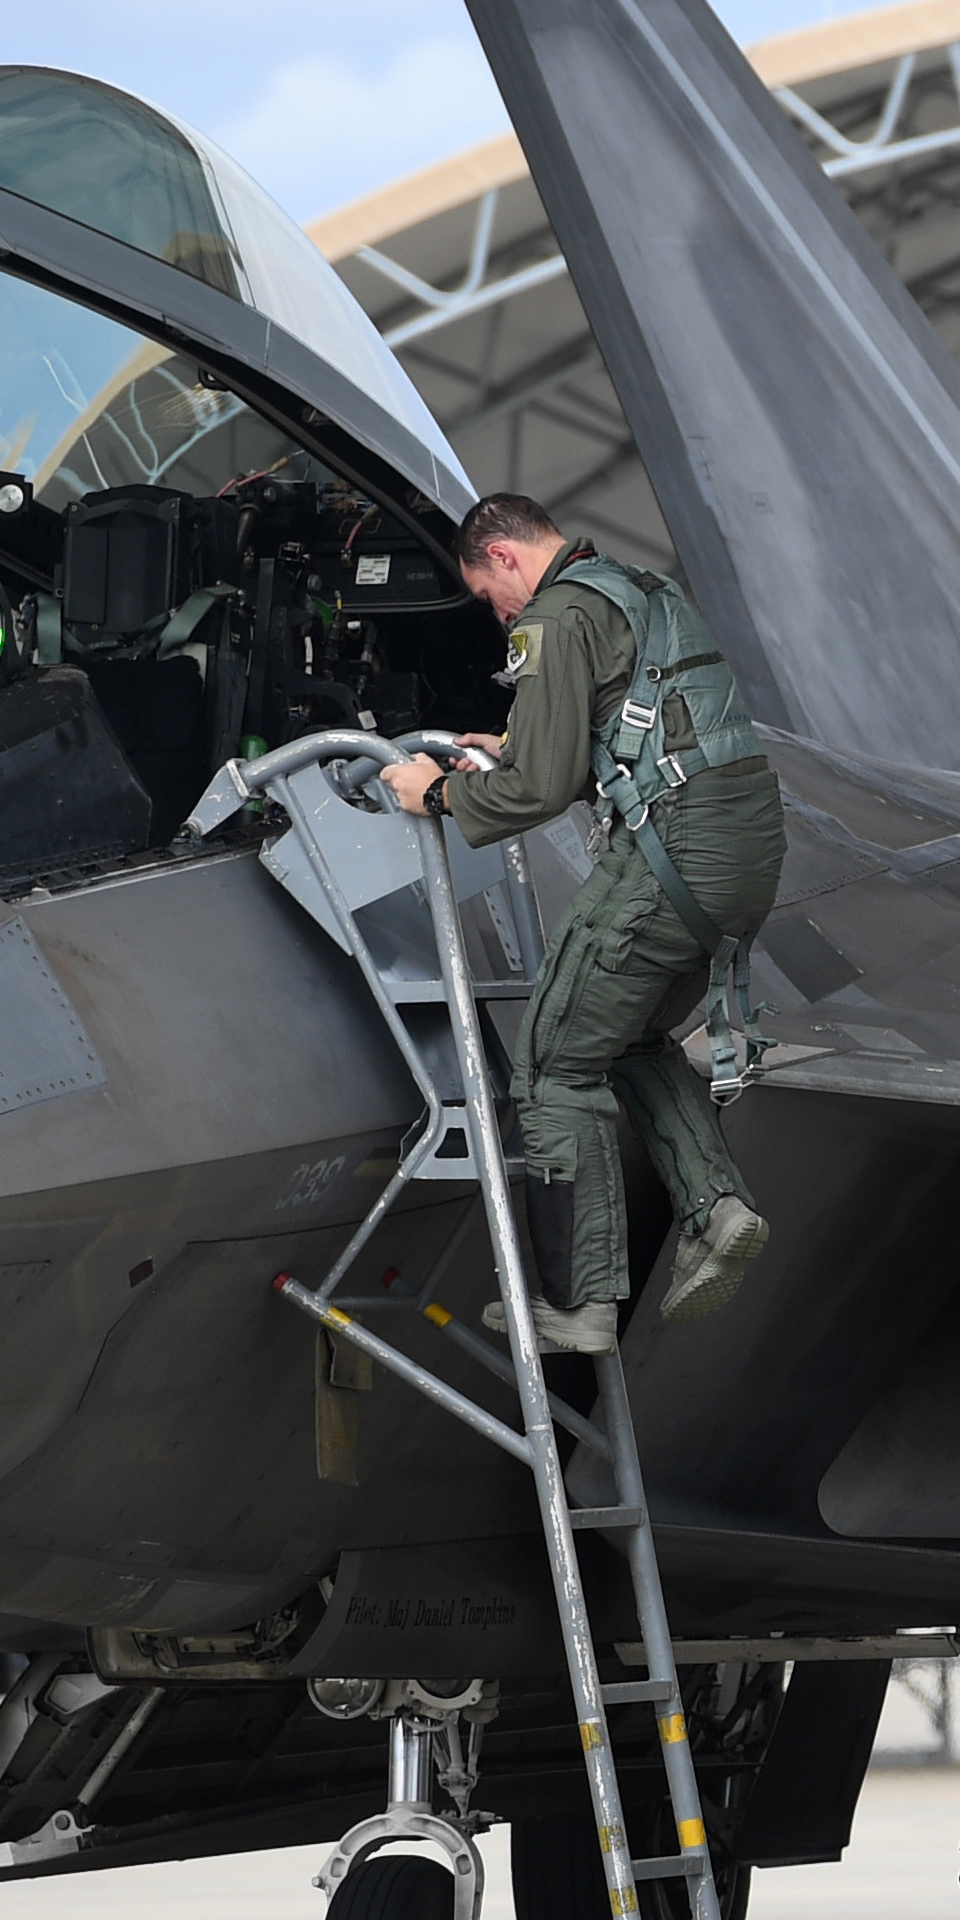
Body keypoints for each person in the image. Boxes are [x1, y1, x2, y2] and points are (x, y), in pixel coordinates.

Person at [384, 492, 781, 1356]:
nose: (498, 614)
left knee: (554, 1066)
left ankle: (579, 1303)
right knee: (628, 1035)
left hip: (670, 864)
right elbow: (615, 730)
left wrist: (437, 792)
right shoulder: (638, 588)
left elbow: (536, 790)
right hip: (741, 862)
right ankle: (717, 1212)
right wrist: (516, 738)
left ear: (503, 558)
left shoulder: (556, 618)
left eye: (490, 598)